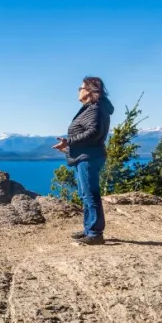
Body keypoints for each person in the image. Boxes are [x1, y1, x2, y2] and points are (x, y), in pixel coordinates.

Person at [53, 77, 115, 245]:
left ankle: (95, 233)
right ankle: (89, 228)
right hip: (86, 156)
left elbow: (93, 132)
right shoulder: (91, 108)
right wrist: (67, 147)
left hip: (88, 158)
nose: (78, 90)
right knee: (85, 194)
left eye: (80, 87)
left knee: (90, 194)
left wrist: (69, 142)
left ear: (88, 90)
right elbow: (89, 135)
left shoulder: (94, 109)